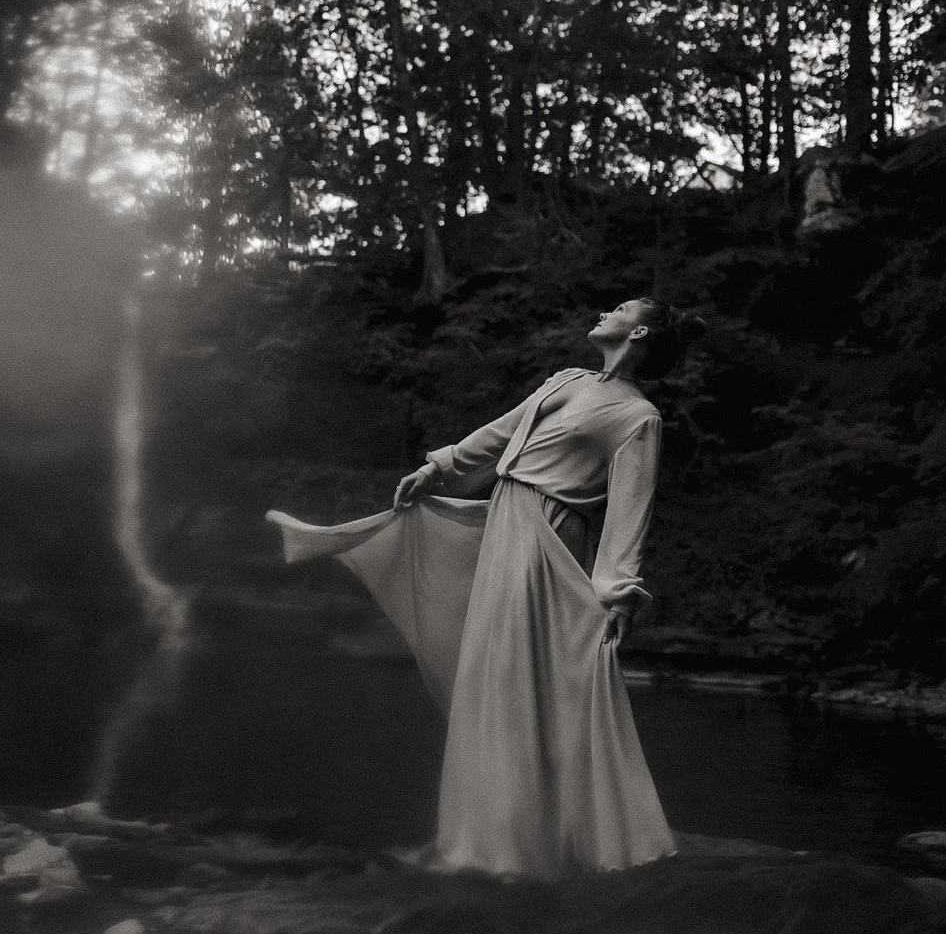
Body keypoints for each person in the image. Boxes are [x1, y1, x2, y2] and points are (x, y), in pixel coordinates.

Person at [269, 297, 704, 881]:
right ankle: (490, 836)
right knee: (490, 670)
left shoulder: (639, 417)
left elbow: (630, 507)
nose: (607, 311)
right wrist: (439, 466)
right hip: (506, 520)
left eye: (622, 308)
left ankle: (527, 845)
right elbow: (501, 433)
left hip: (549, 537)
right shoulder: (568, 379)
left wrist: (617, 591)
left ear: (641, 331)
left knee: (518, 674)